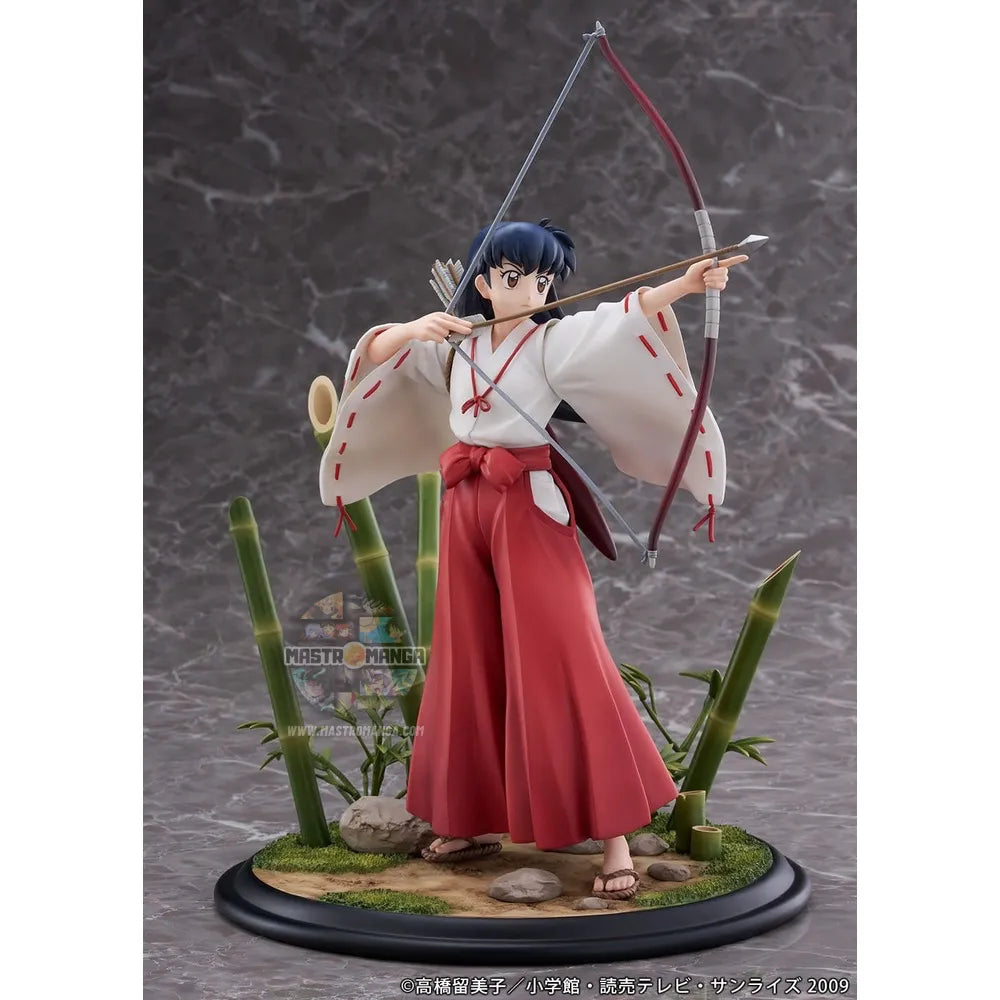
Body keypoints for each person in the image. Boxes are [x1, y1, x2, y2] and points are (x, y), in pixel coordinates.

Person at [319, 219, 745, 899]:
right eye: (514, 277)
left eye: (543, 280)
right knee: (466, 656)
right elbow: (374, 354)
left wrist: (687, 285)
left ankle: (614, 838)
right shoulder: (456, 346)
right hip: (465, 501)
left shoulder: (551, 341)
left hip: (527, 501)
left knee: (564, 655)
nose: (531, 291)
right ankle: (467, 818)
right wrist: (414, 329)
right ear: (484, 282)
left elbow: (621, 315)